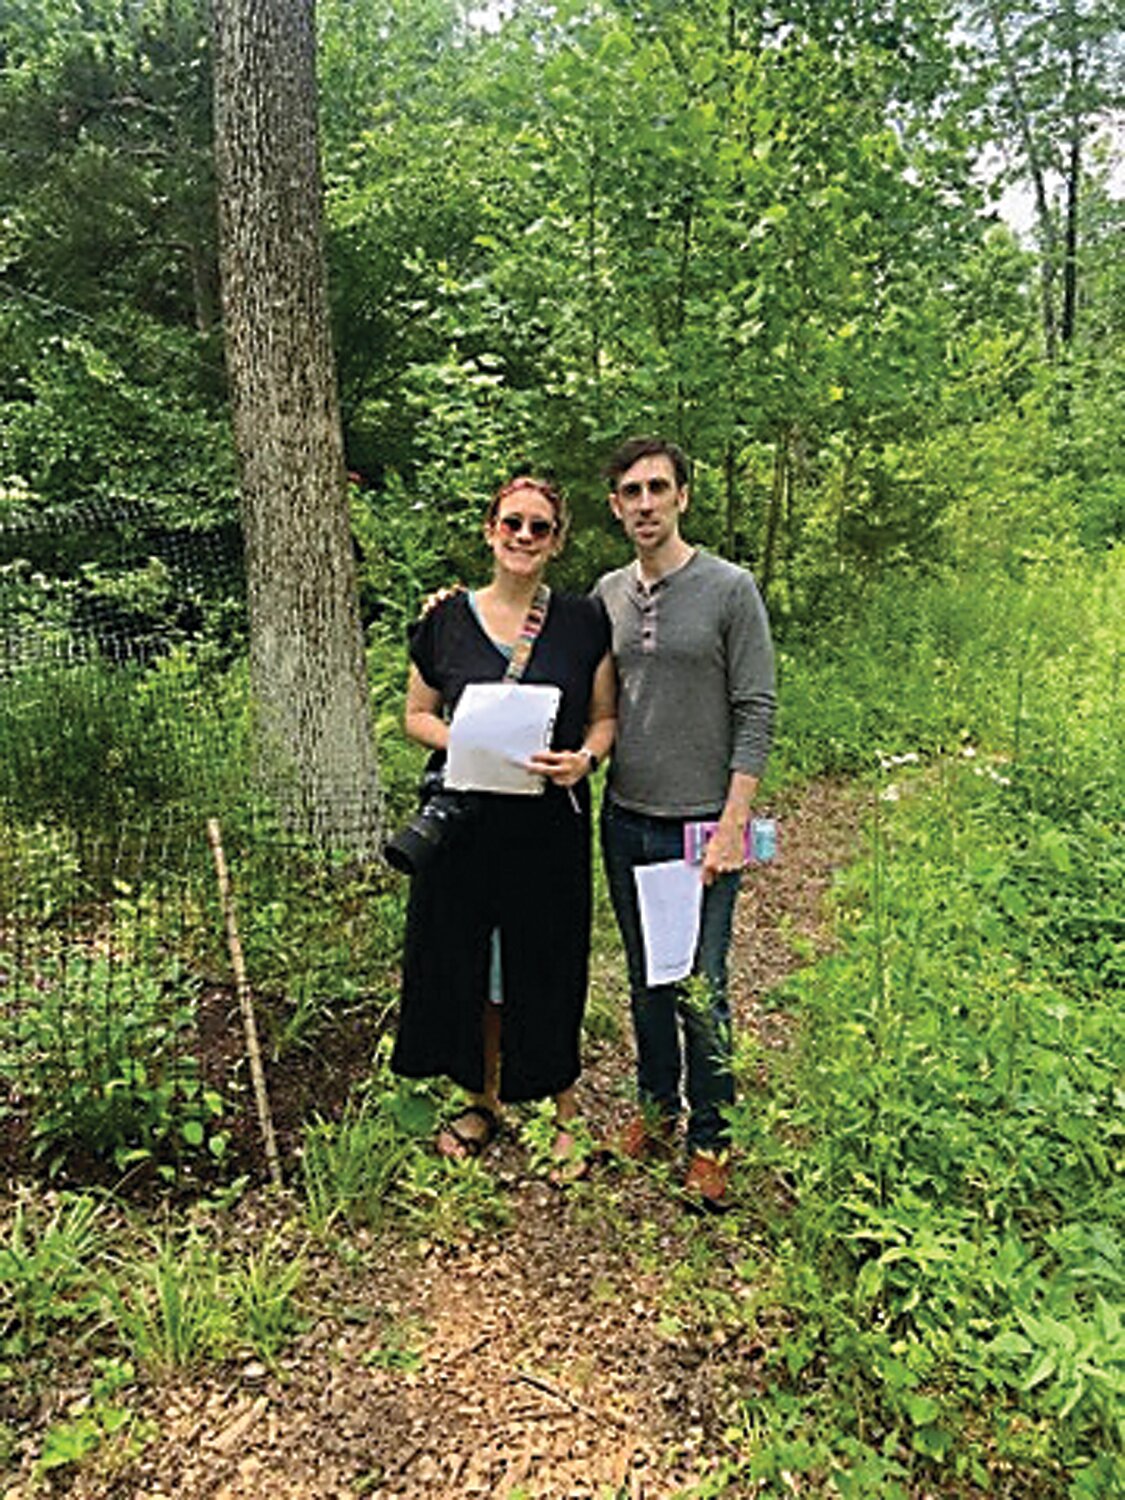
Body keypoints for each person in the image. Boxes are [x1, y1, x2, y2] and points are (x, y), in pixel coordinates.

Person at [390, 473, 616, 1178]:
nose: (523, 537)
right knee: (465, 963)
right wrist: (468, 741)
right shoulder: (444, 621)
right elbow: (415, 715)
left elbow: (604, 719)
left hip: (547, 828)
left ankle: (564, 1112)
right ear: (489, 531)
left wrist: (584, 759)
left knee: (547, 967)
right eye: (511, 523)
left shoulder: (582, 622)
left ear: (557, 541)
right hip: (464, 827)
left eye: (538, 527)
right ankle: (479, 1098)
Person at [594, 436, 775, 1210]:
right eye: (630, 491)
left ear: (681, 497)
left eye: (656, 488)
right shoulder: (606, 594)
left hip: (700, 826)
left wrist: (735, 818)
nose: (644, 503)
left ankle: (711, 1139)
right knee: (645, 981)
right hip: (625, 818)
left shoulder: (730, 590)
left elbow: (756, 708)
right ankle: (655, 1110)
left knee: (702, 986)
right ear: (614, 505)